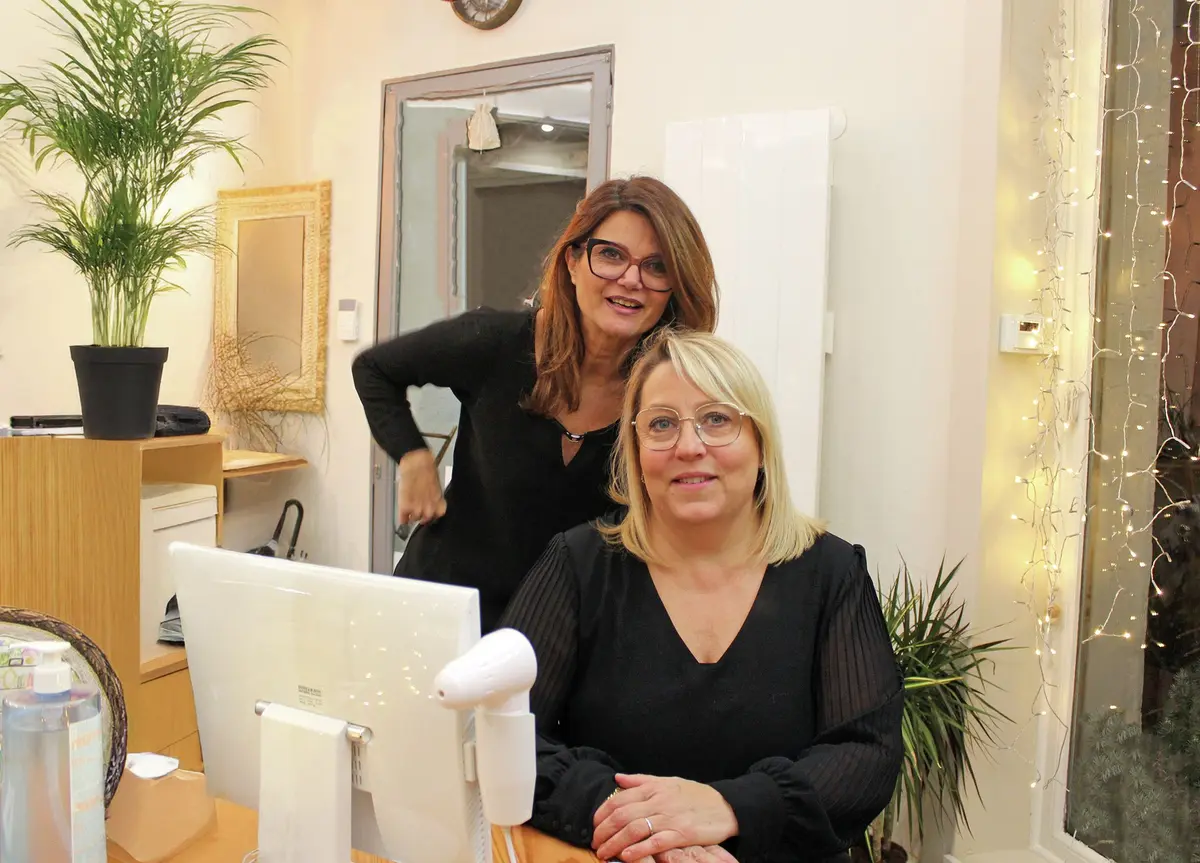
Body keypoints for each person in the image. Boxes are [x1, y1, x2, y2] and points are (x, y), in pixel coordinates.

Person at [499, 330, 904, 863]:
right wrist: (639, 819)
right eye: (662, 424)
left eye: (717, 419)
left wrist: (729, 806)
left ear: (760, 444)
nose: (690, 447)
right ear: (637, 450)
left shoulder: (830, 571)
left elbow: (866, 754)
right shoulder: (577, 565)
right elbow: (504, 731)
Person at [352, 176, 719, 633]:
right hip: (441, 608)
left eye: (657, 266)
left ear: (674, 287)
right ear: (573, 260)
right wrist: (412, 455)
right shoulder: (496, 342)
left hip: (563, 629)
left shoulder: (670, 393)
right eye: (610, 254)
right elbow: (374, 368)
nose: (631, 279)